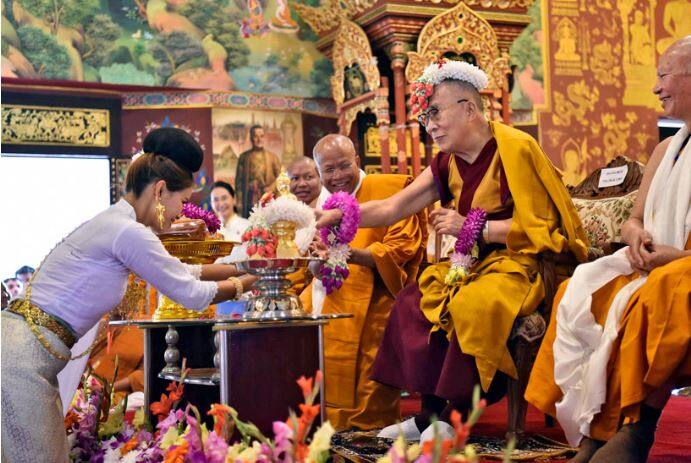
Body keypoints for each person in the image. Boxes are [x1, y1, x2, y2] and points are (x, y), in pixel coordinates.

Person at [316, 59, 588, 443]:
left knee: (474, 304)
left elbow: (542, 228)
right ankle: (428, 416)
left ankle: (455, 415)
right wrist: (337, 213)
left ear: (469, 109)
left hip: (521, 262)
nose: (430, 126)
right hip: (472, 262)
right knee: (416, 297)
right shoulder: (446, 161)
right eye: (426, 118)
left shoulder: (515, 148)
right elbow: (394, 207)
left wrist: (474, 228)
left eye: (436, 114)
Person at [1, 127, 256, 463]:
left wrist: (247, 267)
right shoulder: (129, 232)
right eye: (181, 201)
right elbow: (192, 294)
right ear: (161, 189)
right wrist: (251, 281)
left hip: (21, 351)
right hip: (22, 360)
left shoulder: (118, 222)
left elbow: (185, 272)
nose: (181, 211)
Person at [525, 36, 691, 463]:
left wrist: (675, 258)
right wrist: (636, 235)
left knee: (654, 295)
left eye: (663, 75)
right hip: (658, 263)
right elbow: (635, 219)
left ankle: (638, 428)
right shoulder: (665, 149)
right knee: (578, 290)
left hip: (681, 269)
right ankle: (597, 433)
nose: (656, 87)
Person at [304, 134, 427, 431]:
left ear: (358, 162)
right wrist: (313, 262)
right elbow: (307, 262)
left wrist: (348, 255)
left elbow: (401, 251)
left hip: (381, 291)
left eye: (343, 166)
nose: (337, 177)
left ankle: (366, 427)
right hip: (330, 290)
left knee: (376, 332)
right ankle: (321, 423)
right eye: (328, 171)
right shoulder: (321, 204)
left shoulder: (392, 188)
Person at [235, 125, 282, 218]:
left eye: (261, 136)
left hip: (267, 198)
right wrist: (239, 203)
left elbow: (281, 178)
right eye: (256, 136)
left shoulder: (273, 157)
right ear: (251, 138)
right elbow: (238, 183)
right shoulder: (243, 158)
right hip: (249, 198)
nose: (259, 139)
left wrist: (271, 189)